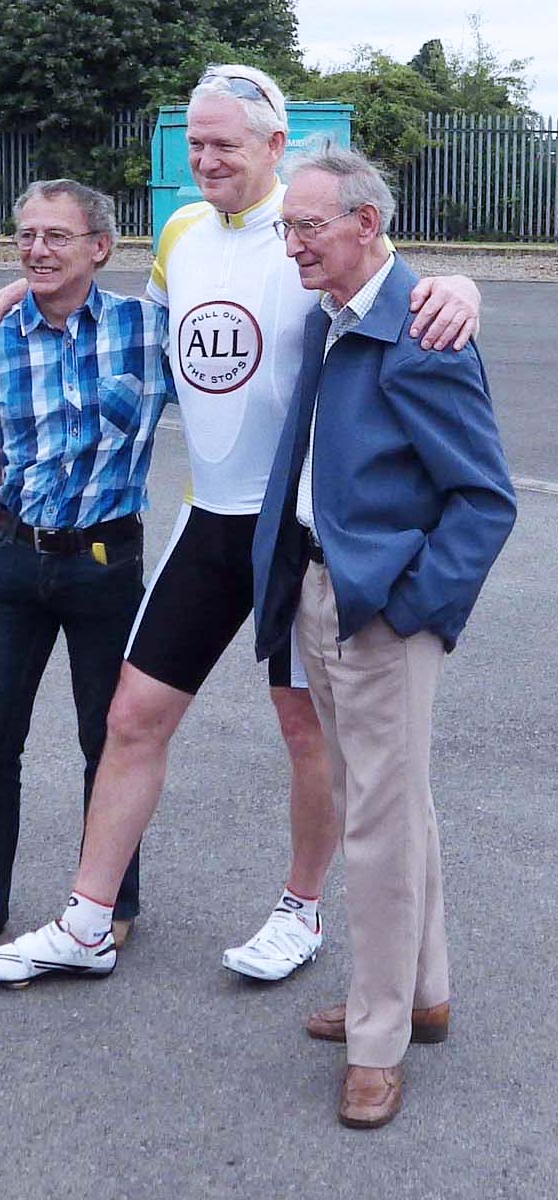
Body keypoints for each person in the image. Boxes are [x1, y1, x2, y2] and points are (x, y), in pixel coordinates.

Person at [0, 64, 483, 989]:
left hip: (293, 533)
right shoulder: (180, 233)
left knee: (305, 734)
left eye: (224, 143)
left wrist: (464, 283)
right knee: (133, 717)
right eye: (194, 143)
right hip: (209, 520)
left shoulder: (306, 228)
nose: (205, 158)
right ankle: (87, 922)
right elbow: (139, 330)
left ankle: (299, 911)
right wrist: (31, 288)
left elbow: (391, 284)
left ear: (275, 144)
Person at [251, 146, 516, 1127]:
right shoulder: (329, 315)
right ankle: (422, 994)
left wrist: (412, 611)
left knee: (374, 827)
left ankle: (376, 1041)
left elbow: (484, 499)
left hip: (379, 612)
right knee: (392, 810)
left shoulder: (420, 331)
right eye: (286, 228)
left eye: (307, 227)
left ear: (366, 224)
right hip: (319, 593)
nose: (292, 245)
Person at [0, 179, 175, 961]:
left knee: (108, 739)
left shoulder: (147, 329)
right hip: (18, 563)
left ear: (100, 247)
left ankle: (110, 902)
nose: (38, 249)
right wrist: (3, 561)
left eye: (57, 236)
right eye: (27, 236)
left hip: (106, 563)